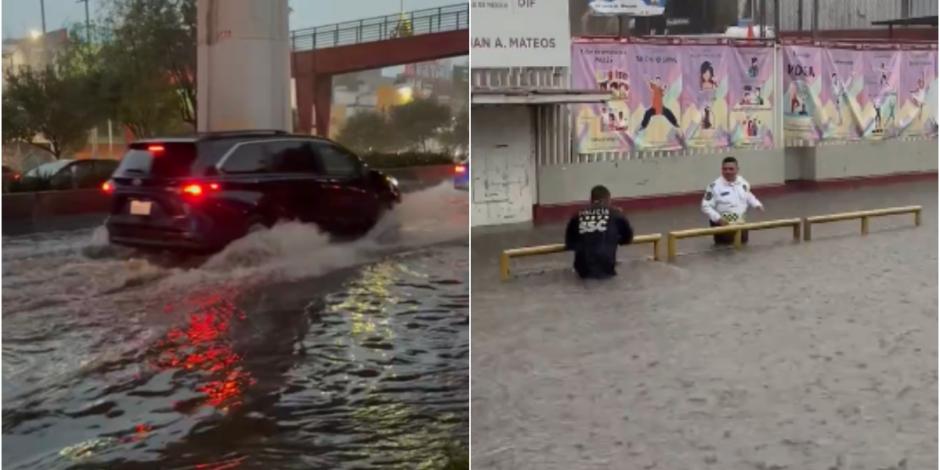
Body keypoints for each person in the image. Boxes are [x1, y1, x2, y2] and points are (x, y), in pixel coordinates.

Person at [565, 185, 634, 279]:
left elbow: (569, 244)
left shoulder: (577, 215)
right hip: (607, 267)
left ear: (591, 199)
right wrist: (613, 238)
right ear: (609, 199)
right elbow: (628, 238)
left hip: (583, 269)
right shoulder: (616, 214)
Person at [701, 157, 764, 245]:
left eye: (731, 169)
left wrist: (756, 204)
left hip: (740, 222)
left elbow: (748, 194)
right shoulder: (714, 186)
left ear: (737, 170)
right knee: (725, 250)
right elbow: (705, 206)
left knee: (743, 245)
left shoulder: (743, 182)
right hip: (722, 224)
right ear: (721, 170)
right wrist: (718, 219)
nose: (728, 171)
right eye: (725, 169)